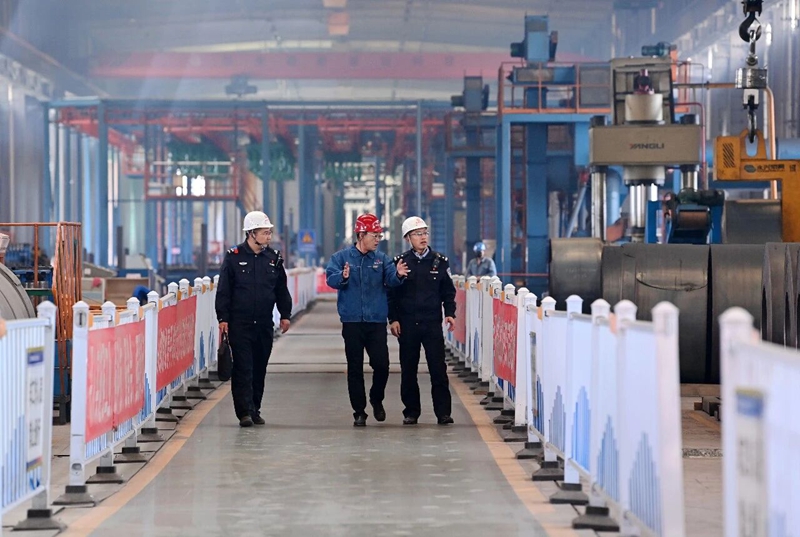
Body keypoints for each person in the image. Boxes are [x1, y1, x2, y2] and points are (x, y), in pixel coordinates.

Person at [326, 213, 409, 427]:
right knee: (355, 367)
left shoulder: (382, 260)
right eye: (374, 235)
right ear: (361, 235)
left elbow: (391, 280)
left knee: (382, 365)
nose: (378, 239)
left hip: (376, 322)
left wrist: (399, 274)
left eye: (379, 235)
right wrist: (343, 277)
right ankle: (359, 411)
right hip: (352, 322)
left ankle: (376, 398)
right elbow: (331, 279)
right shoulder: (341, 258)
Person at [215, 210, 293, 428]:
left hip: (264, 324)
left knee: (259, 368)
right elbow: (224, 290)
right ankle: (244, 412)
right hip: (240, 324)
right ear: (251, 233)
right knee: (243, 368)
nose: (269, 236)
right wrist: (223, 317)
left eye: (269, 232)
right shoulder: (234, 257)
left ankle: (255, 408)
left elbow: (281, 289)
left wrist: (285, 315)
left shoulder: (273, 259)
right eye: (265, 232)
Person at [388, 217, 456, 425]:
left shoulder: (440, 262)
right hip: (408, 324)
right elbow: (392, 294)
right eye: (417, 234)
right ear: (408, 238)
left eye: (425, 233)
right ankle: (411, 412)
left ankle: (443, 413)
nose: (423, 237)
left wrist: (450, 313)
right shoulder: (400, 263)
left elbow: (448, 292)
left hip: (431, 324)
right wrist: (393, 319)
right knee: (409, 370)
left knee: (438, 369)